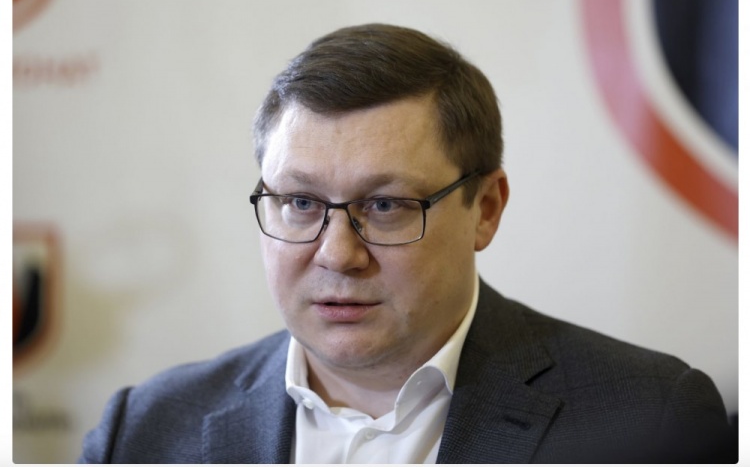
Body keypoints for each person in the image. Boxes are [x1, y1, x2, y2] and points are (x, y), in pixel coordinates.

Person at [80, 23, 733, 463]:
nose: (338, 254)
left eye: (386, 205)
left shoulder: (650, 419)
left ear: (485, 209)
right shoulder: (144, 431)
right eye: (301, 203)